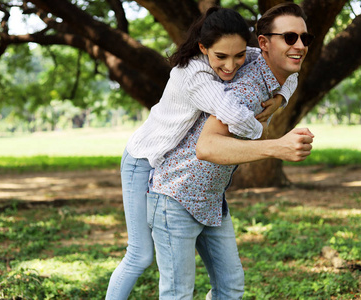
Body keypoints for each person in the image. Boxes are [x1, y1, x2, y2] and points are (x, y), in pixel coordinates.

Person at [105, 7, 297, 300]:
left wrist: (281, 98)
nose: (232, 66)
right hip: (144, 159)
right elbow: (232, 112)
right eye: (221, 57)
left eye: (239, 56)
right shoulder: (194, 74)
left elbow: (286, 66)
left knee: (224, 283)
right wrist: (263, 132)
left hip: (172, 164)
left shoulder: (238, 54)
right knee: (140, 254)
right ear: (203, 47)